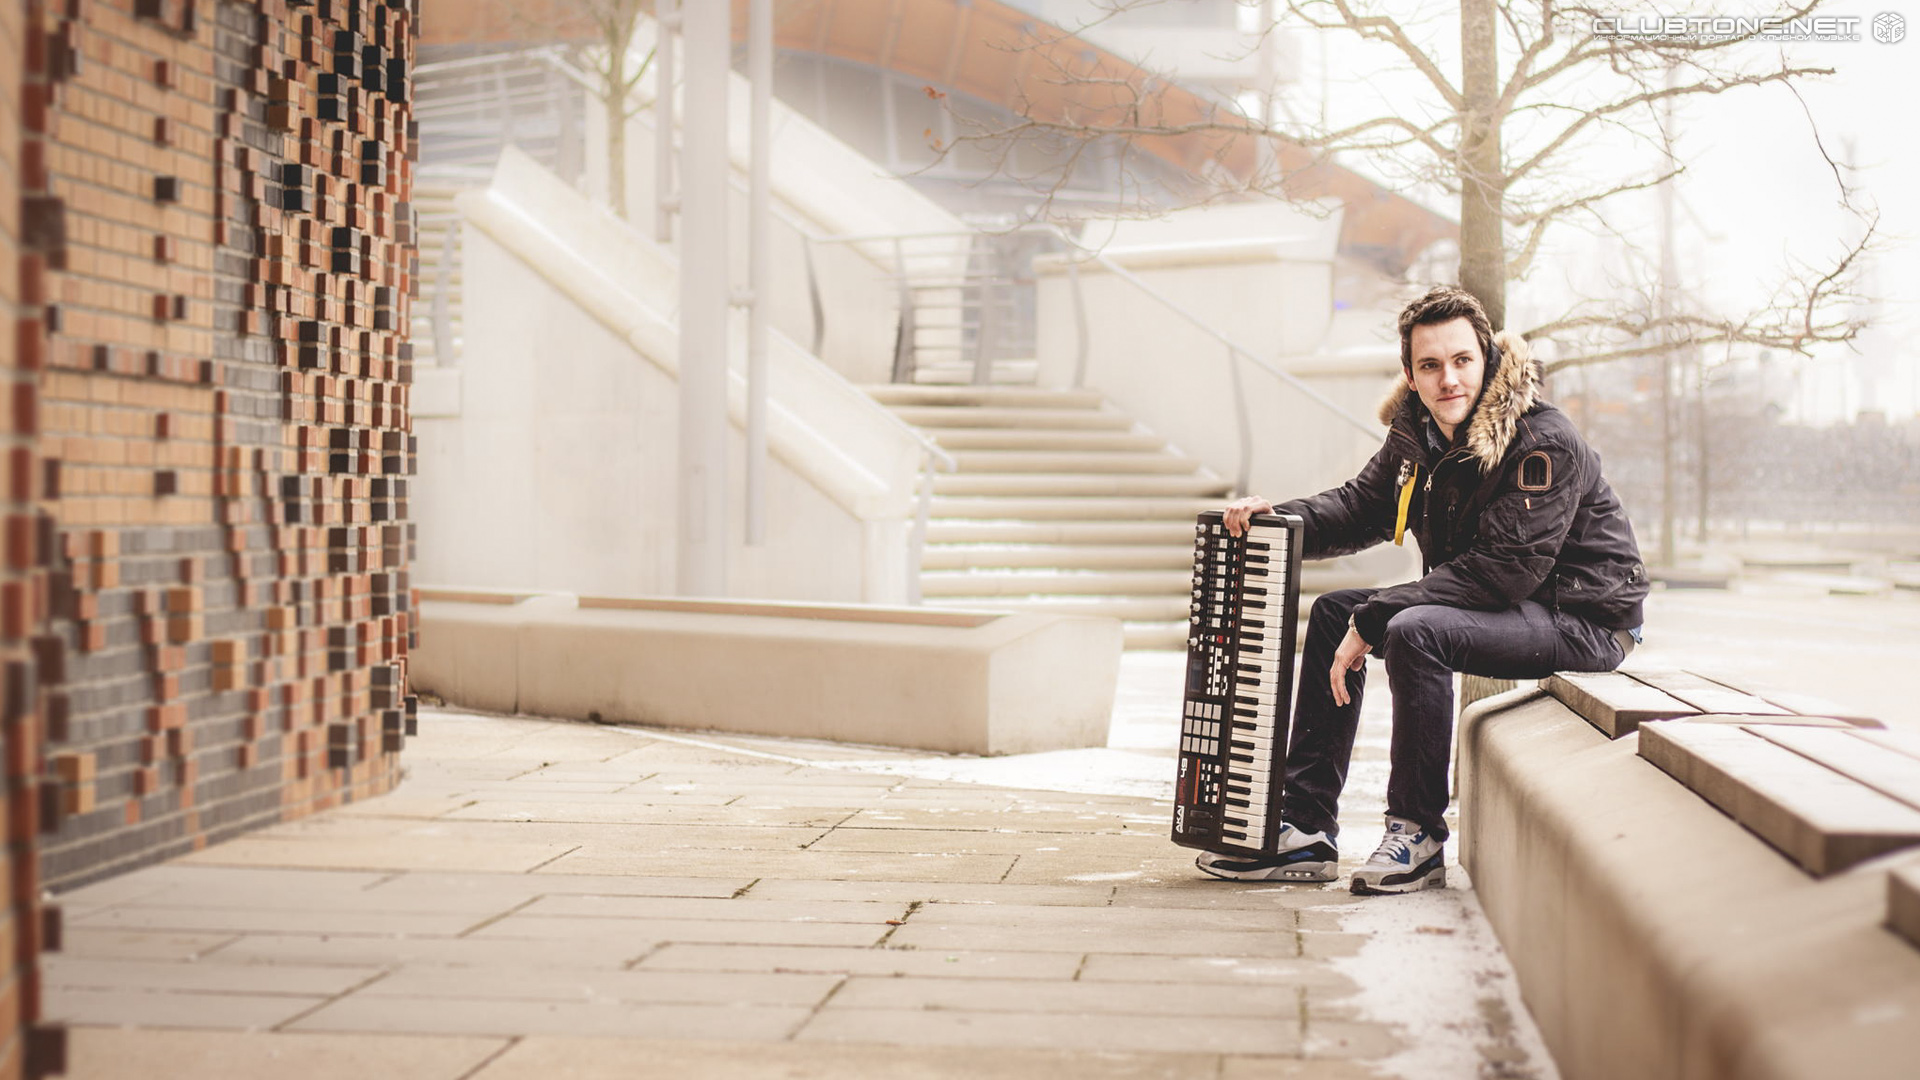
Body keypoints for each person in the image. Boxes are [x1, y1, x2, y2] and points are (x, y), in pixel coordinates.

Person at [1197, 285, 1647, 894]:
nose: (1449, 380)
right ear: (1410, 375)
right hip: (1509, 602)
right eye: (1430, 366)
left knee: (1413, 630)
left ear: (1486, 359)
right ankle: (1305, 826)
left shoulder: (1542, 441)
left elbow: (1503, 570)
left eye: (1462, 361)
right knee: (1335, 613)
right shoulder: (1418, 437)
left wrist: (1379, 614)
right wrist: (1277, 518)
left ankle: (1418, 832)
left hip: (1584, 619)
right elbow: (1359, 508)